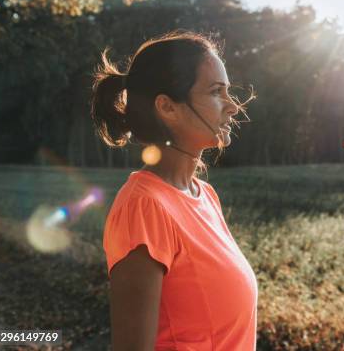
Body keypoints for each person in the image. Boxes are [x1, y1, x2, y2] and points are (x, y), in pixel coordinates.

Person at [90, 31, 258, 350]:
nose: (233, 107)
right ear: (168, 107)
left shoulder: (204, 195)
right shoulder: (144, 208)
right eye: (216, 92)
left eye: (228, 92)